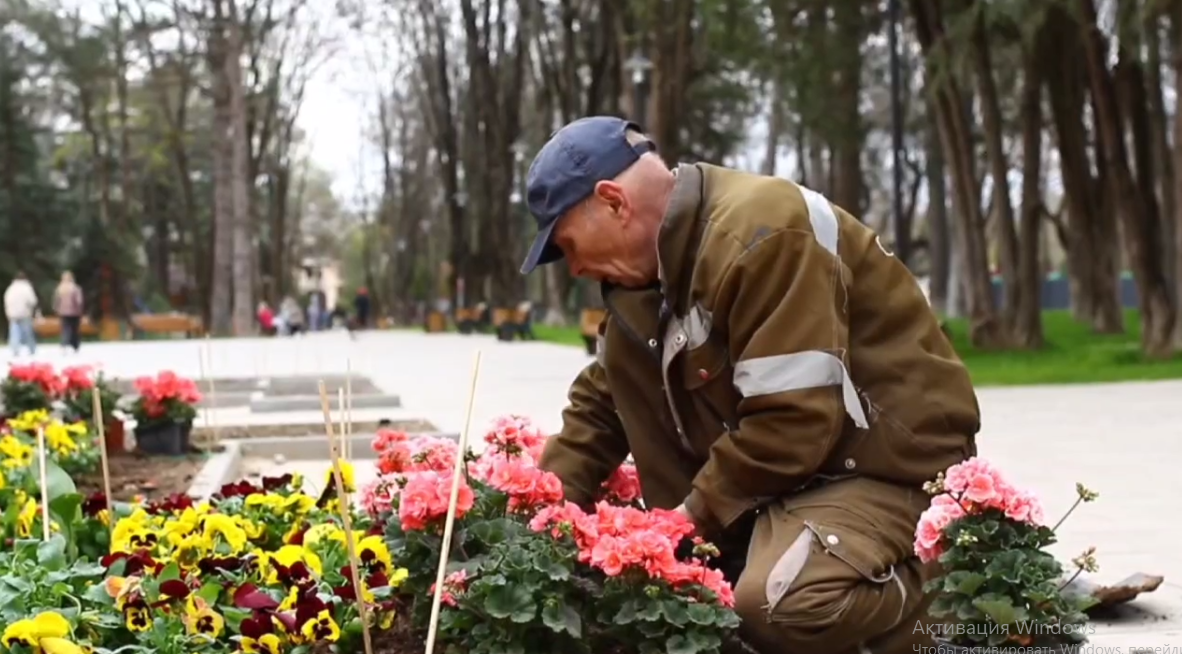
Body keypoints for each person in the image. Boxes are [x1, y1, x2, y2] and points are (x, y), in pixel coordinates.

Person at [518, 116, 981, 654]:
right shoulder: (645, 281)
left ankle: (969, 592)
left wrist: (689, 520)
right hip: (787, 481)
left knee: (778, 606)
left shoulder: (763, 233)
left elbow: (795, 419)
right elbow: (601, 409)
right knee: (667, 603)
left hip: (881, 466)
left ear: (613, 201)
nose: (572, 267)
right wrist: (536, 527)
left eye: (567, 243)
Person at [4, 271, 39, 357]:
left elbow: (6, 300)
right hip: (25, 313)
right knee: (28, 332)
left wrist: (8, 312)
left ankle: (15, 349)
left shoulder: (11, 288)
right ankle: (31, 349)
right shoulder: (27, 288)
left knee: (14, 332)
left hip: (12, 314)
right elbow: (33, 301)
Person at [53, 271, 84, 353]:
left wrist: (56, 309)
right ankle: (75, 346)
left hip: (63, 312)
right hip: (74, 312)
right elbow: (79, 301)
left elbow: (56, 301)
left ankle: (63, 344)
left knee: (65, 329)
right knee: (75, 329)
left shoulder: (60, 288)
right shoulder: (75, 288)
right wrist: (80, 309)